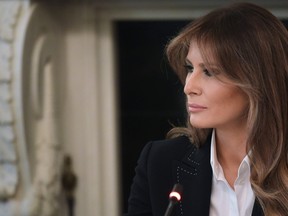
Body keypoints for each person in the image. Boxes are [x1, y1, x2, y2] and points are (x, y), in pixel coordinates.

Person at [125, 2, 288, 216]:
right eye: (190, 68)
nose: (188, 87)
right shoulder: (158, 162)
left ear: (258, 82)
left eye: (209, 72)